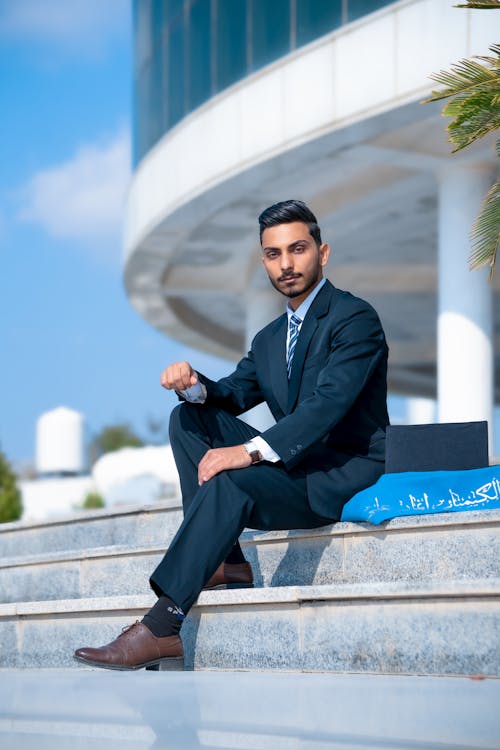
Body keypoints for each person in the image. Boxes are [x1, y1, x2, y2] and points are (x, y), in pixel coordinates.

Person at [74, 199, 389, 670]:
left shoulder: (354, 318)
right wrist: (193, 385)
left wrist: (246, 452)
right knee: (188, 419)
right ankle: (228, 557)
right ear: (263, 260)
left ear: (322, 254)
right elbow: (234, 394)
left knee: (232, 476)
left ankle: (162, 624)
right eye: (272, 253)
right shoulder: (268, 339)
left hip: (340, 474)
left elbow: (327, 405)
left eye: (297, 249)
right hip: (293, 470)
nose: (285, 264)